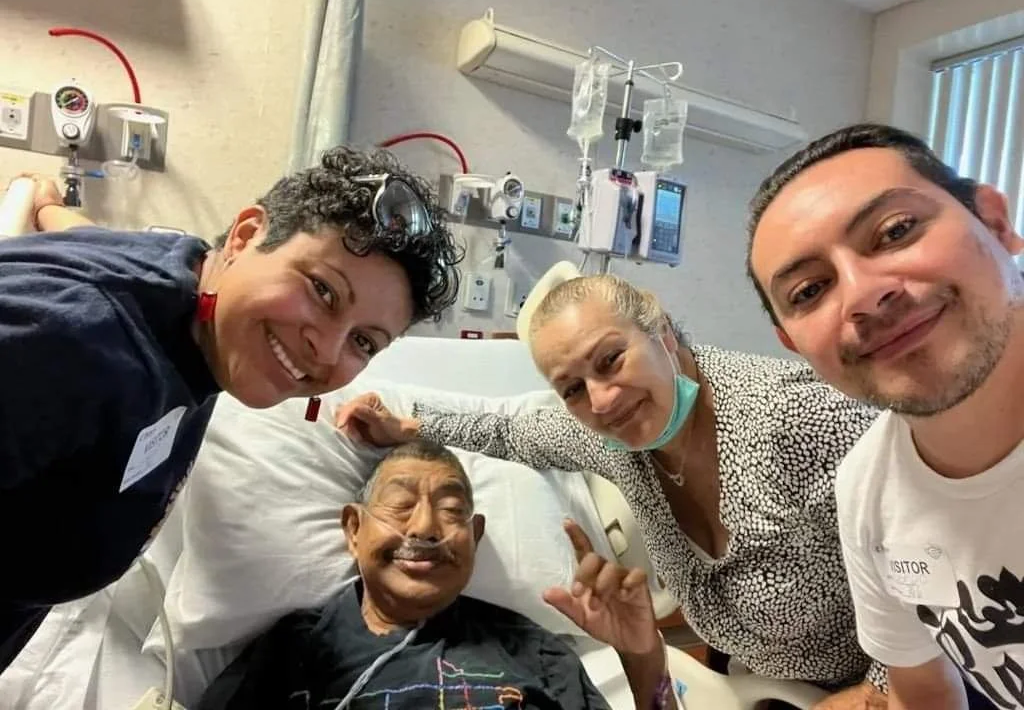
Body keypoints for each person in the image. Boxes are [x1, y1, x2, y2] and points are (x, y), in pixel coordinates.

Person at [0, 147, 462, 673]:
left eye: (363, 341)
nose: (327, 350)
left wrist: (47, 208)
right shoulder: (70, 353)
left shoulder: (185, 277)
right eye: (322, 291)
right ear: (245, 237)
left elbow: (98, 244)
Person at [335, 269, 887, 708]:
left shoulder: (799, 418)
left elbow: (930, 559)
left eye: (611, 360)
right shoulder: (616, 442)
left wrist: (876, 692)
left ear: (661, 331)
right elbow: (510, 431)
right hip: (769, 679)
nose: (601, 400)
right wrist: (408, 425)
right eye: (572, 389)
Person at [746, 123, 1024, 710]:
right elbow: (922, 693)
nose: (862, 294)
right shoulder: (867, 490)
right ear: (794, 345)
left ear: (996, 223)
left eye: (895, 231)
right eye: (809, 291)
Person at [196, 439, 672, 710]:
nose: (424, 527)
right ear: (354, 530)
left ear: (475, 535)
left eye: (451, 510)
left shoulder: (534, 652)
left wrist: (644, 657)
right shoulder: (294, 650)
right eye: (401, 504)